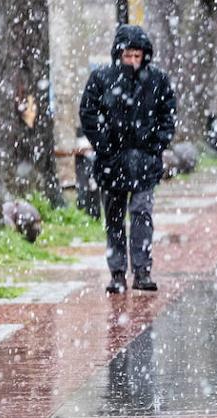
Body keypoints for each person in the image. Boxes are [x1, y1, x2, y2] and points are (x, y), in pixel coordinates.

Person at [79, 25, 176, 294]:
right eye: (128, 55)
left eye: (137, 55)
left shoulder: (157, 80)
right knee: (114, 217)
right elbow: (88, 113)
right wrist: (105, 144)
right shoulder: (101, 79)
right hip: (112, 162)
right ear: (119, 54)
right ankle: (118, 272)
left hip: (144, 161)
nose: (133, 62)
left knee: (142, 213)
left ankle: (142, 270)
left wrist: (156, 143)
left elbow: (168, 114)